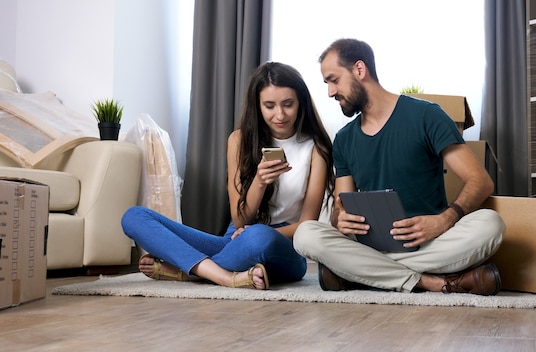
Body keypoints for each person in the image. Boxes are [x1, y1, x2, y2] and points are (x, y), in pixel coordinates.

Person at [293, 38, 505, 296]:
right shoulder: (345, 139)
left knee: (491, 224)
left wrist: (443, 221)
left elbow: (480, 181)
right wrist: (342, 221)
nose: (330, 92)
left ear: (360, 70)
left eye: (334, 80)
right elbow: (340, 208)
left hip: (430, 242)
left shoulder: (426, 115)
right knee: (305, 234)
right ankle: (430, 282)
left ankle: (359, 275)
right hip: (371, 245)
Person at [122, 61, 334, 290]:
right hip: (235, 238)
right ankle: (223, 276)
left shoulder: (316, 148)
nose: (280, 114)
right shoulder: (238, 140)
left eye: (288, 104)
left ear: (300, 103)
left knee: (259, 237)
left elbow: (307, 224)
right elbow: (241, 220)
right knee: (134, 216)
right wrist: (259, 182)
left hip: (285, 245)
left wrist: (253, 232)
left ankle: (190, 272)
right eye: (270, 106)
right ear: (258, 106)